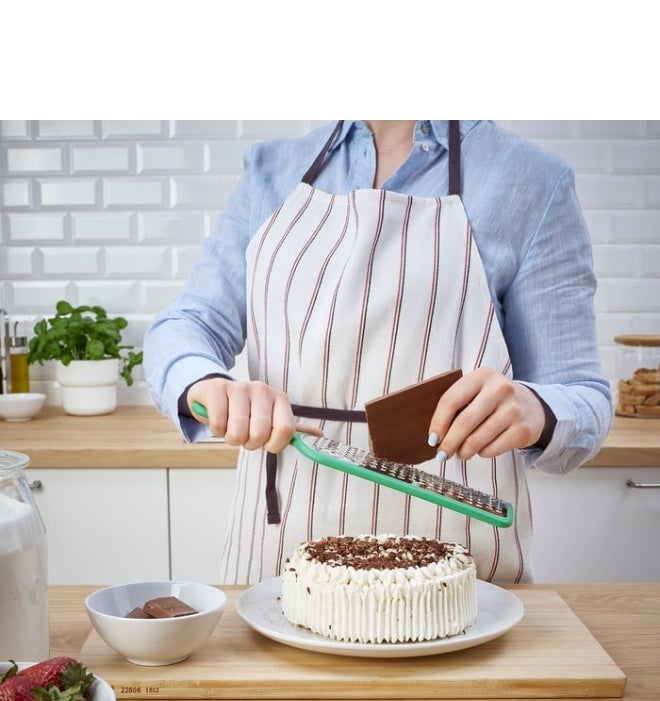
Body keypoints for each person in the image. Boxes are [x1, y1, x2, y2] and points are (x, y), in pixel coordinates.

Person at [143, 120, 613, 585]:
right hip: (277, 554)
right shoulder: (271, 170)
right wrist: (205, 383)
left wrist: (536, 408)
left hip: (461, 565)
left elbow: (583, 394)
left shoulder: (530, 180)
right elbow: (187, 325)